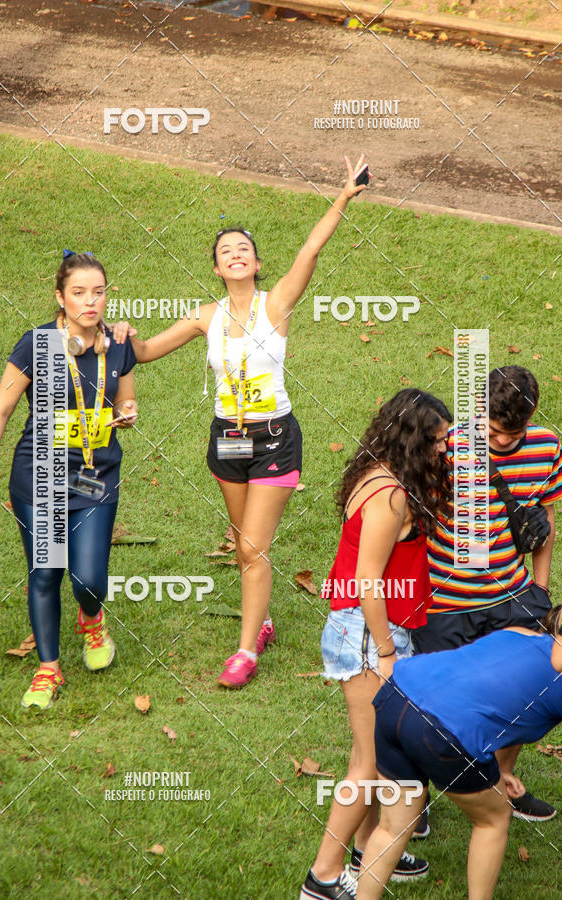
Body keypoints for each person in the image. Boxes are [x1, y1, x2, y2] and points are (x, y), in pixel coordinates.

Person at [113, 153, 369, 689]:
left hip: (274, 437)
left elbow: (310, 249)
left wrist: (342, 197)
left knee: (253, 549)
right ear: (215, 267)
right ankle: (265, 618)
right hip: (225, 438)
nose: (235, 255)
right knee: (243, 541)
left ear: (255, 264)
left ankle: (246, 649)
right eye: (225, 250)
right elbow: (148, 350)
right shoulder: (205, 316)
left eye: (244, 250)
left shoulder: (276, 305)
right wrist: (125, 335)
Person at [0, 251, 138, 709]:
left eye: (97, 292)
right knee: (45, 571)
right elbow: (0, 410)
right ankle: (49, 669)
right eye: (78, 293)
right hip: (38, 476)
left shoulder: (119, 343)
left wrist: (125, 415)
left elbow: (126, 403)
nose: (89, 302)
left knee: (89, 579)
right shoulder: (37, 344)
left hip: (94, 478)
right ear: (60, 297)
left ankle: (91, 616)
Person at [299, 389, 452, 900]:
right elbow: (368, 582)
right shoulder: (390, 496)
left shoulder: (379, 474)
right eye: (435, 442)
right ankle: (322, 878)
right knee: (367, 766)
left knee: (373, 754)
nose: (442, 450)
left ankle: (368, 851)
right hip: (368, 634)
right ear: (412, 439)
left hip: (364, 630)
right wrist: (387, 651)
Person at [414, 366, 562, 825]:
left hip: (513, 596)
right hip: (446, 603)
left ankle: (500, 784)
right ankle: (412, 806)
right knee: (427, 703)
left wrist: (540, 587)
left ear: (532, 415)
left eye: (509, 433)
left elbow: (543, 519)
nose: (499, 441)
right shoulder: (448, 444)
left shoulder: (548, 447)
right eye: (492, 431)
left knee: (518, 697)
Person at [356, 606, 562, 899]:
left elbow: (504, 703)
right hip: (444, 732)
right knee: (493, 819)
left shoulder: (517, 634)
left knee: (392, 828)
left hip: (397, 695)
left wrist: (501, 772)